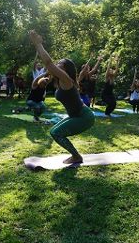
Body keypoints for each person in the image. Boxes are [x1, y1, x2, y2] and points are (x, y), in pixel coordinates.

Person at [29, 30, 95, 164]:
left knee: (56, 133)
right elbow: (38, 80)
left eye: (59, 64)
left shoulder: (66, 79)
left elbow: (48, 63)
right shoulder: (61, 81)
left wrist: (39, 44)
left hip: (84, 116)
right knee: (53, 131)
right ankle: (76, 156)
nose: (56, 65)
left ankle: (76, 156)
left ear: (65, 69)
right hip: (75, 116)